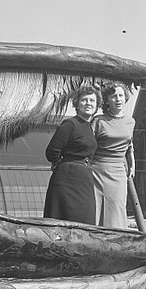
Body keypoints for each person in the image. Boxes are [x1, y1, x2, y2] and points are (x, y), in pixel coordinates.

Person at [43, 85, 100, 224]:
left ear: (97, 105)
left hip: (84, 179)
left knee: (86, 221)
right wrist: (62, 164)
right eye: (84, 100)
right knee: (66, 221)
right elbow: (52, 152)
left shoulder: (89, 127)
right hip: (67, 180)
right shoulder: (70, 124)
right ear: (77, 104)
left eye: (92, 101)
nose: (88, 103)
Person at [91, 83, 136, 228]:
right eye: (113, 96)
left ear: (125, 98)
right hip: (97, 170)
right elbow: (88, 144)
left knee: (116, 208)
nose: (118, 99)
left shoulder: (131, 122)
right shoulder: (98, 120)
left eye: (121, 95)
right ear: (107, 100)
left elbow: (129, 145)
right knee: (96, 209)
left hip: (118, 172)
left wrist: (132, 165)